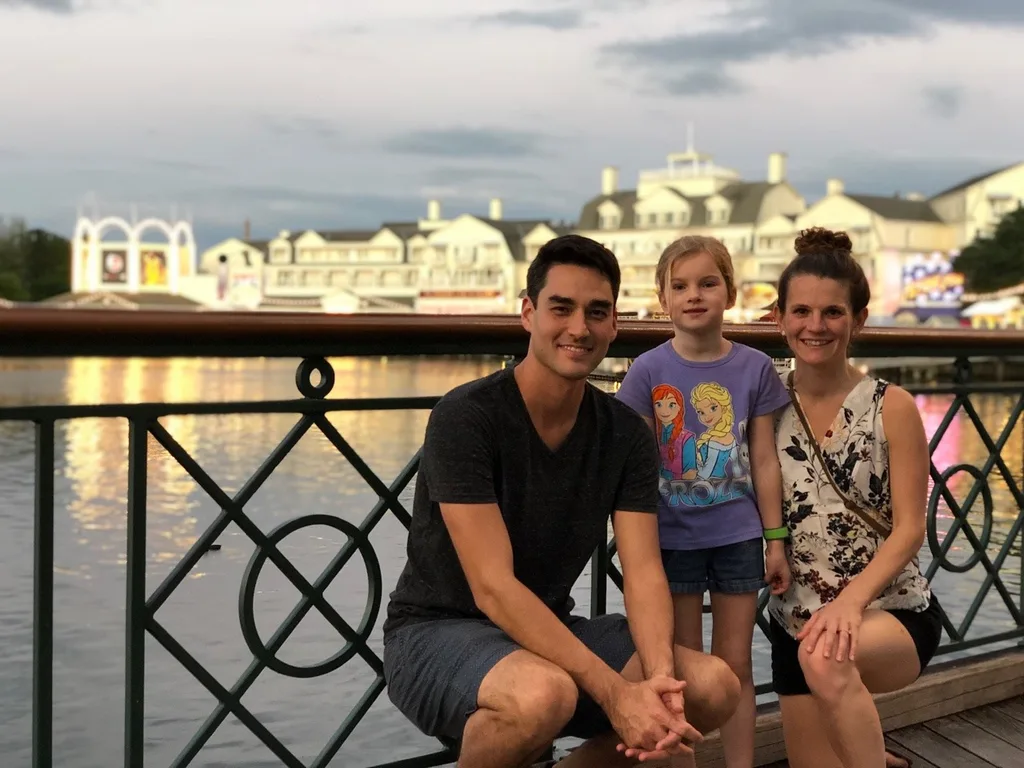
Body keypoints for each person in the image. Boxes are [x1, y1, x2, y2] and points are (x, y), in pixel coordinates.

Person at [382, 234, 740, 768]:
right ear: (528, 313)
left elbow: (642, 572)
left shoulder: (623, 431)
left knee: (711, 687)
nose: (579, 328)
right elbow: (494, 588)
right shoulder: (467, 416)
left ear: (615, 324)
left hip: (549, 629)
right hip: (434, 632)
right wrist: (619, 696)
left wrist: (660, 680)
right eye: (561, 308)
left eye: (597, 312)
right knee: (543, 694)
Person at [767, 227, 942, 768]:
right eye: (800, 312)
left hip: (886, 612)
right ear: (779, 318)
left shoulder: (891, 407)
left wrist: (850, 602)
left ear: (858, 320)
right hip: (795, 623)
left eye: (832, 313)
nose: (814, 326)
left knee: (826, 659)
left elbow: (911, 528)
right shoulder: (764, 401)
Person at [614, 235, 792, 768]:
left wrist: (775, 539)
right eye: (681, 285)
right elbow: (639, 469)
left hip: (738, 536)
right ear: (663, 298)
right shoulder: (646, 370)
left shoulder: (755, 367)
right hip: (673, 540)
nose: (694, 295)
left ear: (730, 292)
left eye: (708, 283)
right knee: (685, 668)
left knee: (735, 662)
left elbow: (763, 460)